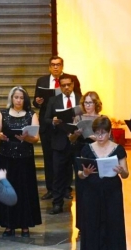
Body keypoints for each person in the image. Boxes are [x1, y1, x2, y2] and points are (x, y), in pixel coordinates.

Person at [78, 116, 129, 250]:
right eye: (97, 133)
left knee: (111, 229)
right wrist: (84, 173)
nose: (100, 137)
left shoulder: (118, 149)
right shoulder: (87, 149)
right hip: (91, 192)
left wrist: (121, 171)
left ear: (109, 132)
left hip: (112, 192)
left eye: (103, 133)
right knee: (92, 228)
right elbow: (80, 173)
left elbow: (126, 174)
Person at [0, 86, 41, 237]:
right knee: (6, 189)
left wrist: (25, 138)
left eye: (21, 97)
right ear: (11, 98)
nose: (18, 100)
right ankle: (8, 225)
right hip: (6, 157)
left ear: (25, 99)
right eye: (16, 97)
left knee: (24, 190)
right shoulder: (3, 114)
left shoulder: (32, 115)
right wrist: (0, 136)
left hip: (24, 158)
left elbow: (36, 138)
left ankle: (25, 225)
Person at [33, 56, 82, 200]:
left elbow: (79, 98)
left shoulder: (71, 79)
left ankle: (66, 188)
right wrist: (38, 101)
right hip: (49, 125)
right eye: (53, 65)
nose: (55, 67)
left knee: (67, 157)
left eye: (58, 64)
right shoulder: (41, 81)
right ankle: (51, 189)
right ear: (49, 67)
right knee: (49, 159)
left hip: (67, 125)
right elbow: (36, 103)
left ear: (62, 66)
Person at [44, 74, 81, 214]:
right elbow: (46, 119)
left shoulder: (80, 98)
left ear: (72, 84)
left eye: (69, 85)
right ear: (60, 86)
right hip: (59, 141)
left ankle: (82, 204)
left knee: (80, 173)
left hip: (77, 141)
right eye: (63, 85)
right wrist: (53, 121)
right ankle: (57, 203)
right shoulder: (53, 100)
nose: (66, 88)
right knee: (58, 174)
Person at [68, 91, 102, 229]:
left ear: (96, 104)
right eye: (86, 103)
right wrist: (76, 134)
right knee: (82, 188)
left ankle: (97, 221)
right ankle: (83, 225)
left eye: (91, 102)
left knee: (97, 187)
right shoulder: (78, 118)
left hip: (97, 153)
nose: (88, 105)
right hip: (81, 151)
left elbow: (111, 139)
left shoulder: (101, 118)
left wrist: (96, 138)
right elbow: (70, 139)